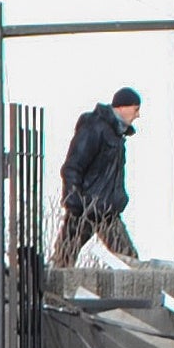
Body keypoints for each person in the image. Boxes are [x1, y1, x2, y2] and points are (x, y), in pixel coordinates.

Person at [55, 86, 143, 266]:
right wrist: (75, 203)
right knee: (63, 261)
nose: (138, 115)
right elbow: (73, 167)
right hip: (85, 209)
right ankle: (47, 294)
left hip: (106, 211)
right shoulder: (94, 127)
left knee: (130, 263)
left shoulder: (116, 134)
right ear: (122, 107)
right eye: (136, 109)